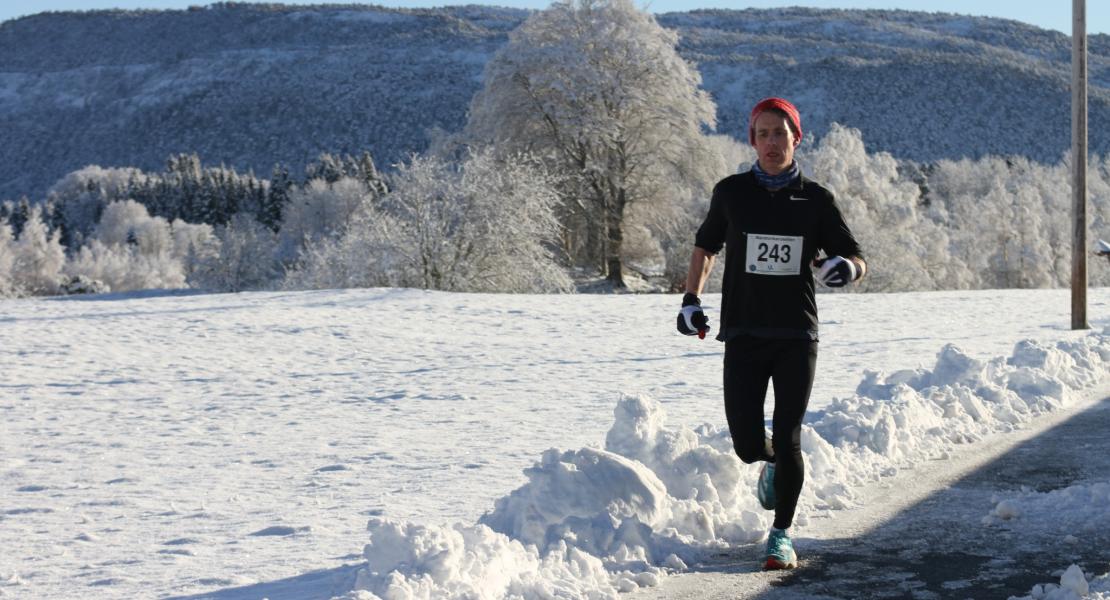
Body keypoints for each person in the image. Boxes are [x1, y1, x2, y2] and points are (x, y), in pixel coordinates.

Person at [676, 97, 866, 570]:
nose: (771, 142)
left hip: (796, 333)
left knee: (789, 433)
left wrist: (849, 268)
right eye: (763, 134)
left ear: (796, 138)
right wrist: (691, 300)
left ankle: (780, 535)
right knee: (746, 444)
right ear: (753, 141)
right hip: (743, 331)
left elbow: (855, 256)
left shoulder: (816, 200)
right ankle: (773, 461)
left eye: (780, 133)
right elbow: (705, 246)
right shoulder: (731, 193)